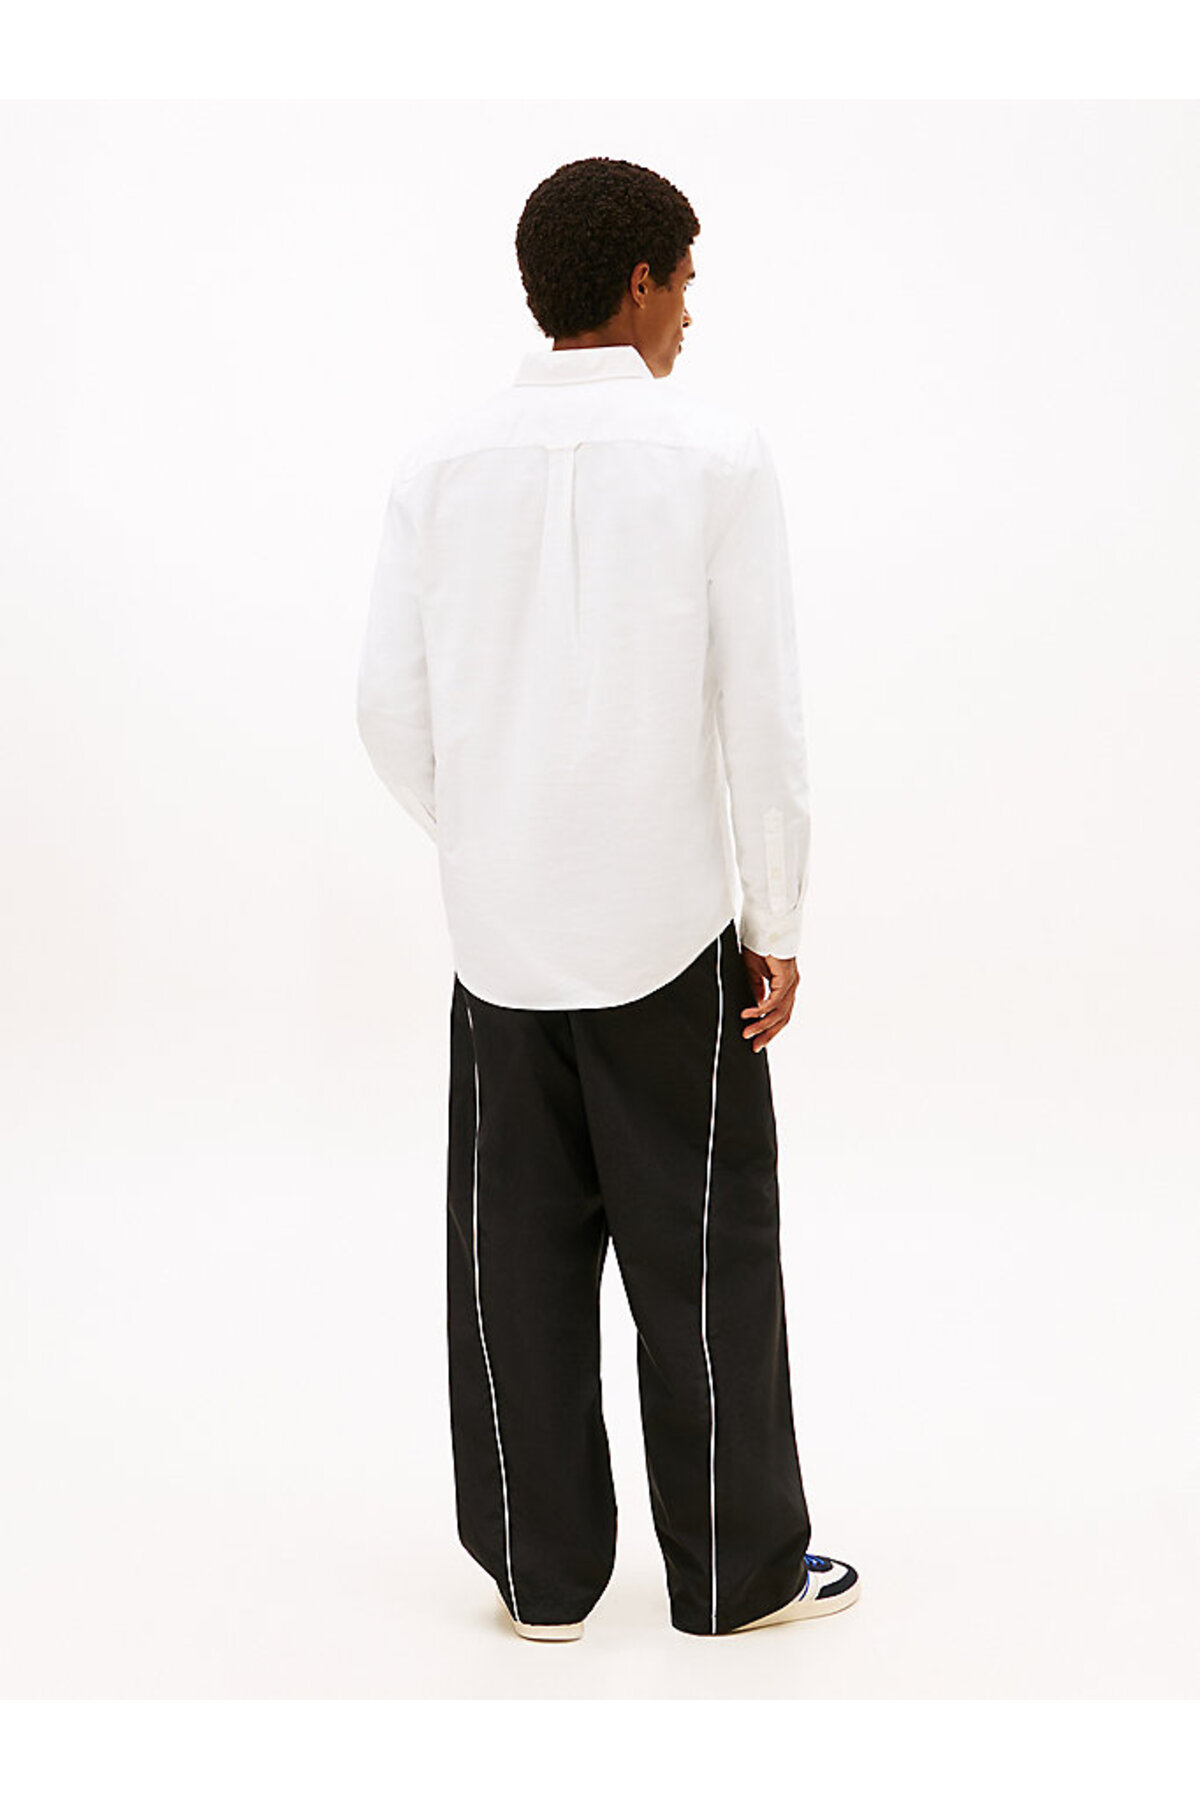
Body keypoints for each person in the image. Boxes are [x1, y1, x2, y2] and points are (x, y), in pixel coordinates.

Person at [355, 155, 860, 1640]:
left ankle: (540, 1578)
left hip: (500, 943)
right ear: (638, 281)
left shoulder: (438, 467)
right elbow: (762, 712)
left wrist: (490, 837)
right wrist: (776, 922)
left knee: (513, 1264)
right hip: (668, 937)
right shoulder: (717, 457)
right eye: (686, 280)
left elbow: (386, 708)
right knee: (704, 1258)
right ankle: (734, 1576)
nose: (692, 311)